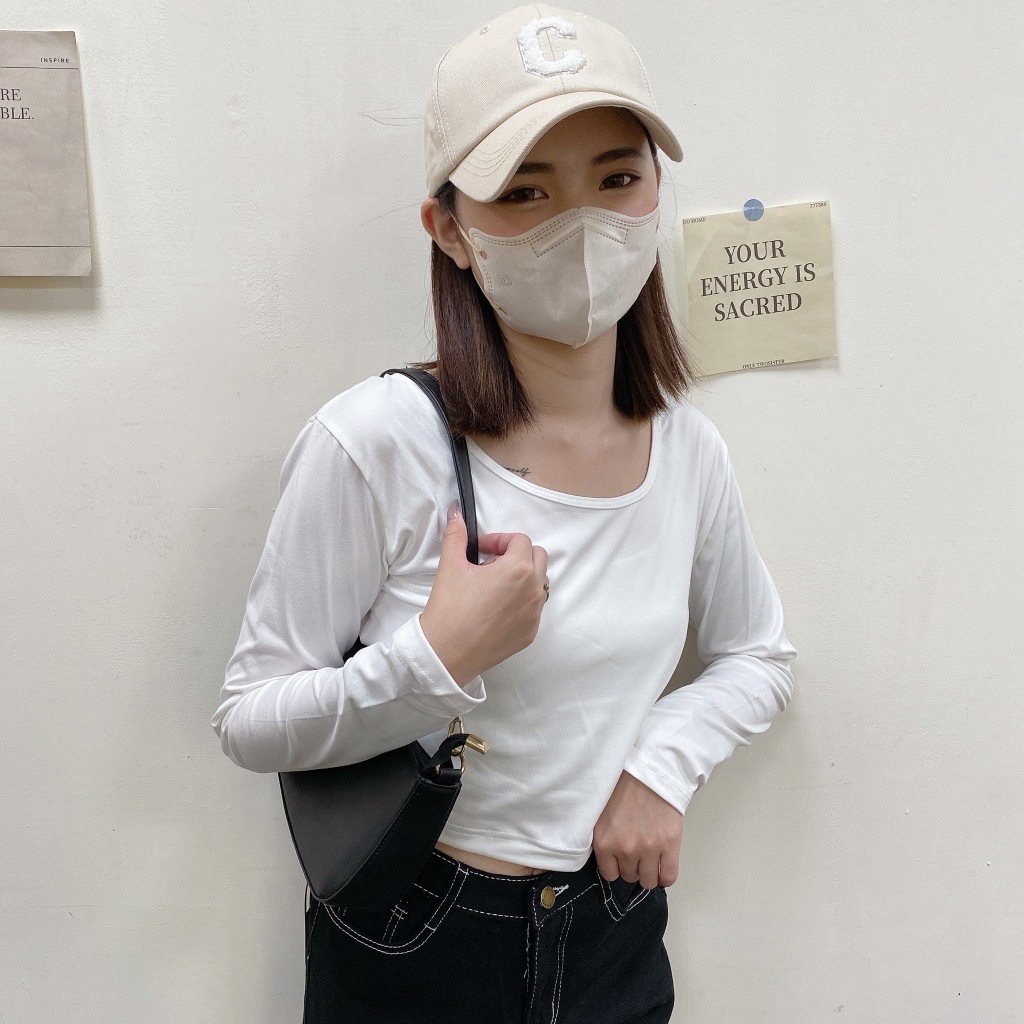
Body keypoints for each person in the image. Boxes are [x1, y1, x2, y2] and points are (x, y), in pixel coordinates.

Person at [212, 5, 797, 1022]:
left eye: (617, 178)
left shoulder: (686, 448)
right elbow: (250, 721)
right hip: (419, 929)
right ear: (450, 229)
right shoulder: (378, 439)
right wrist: (435, 659)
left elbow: (759, 657)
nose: (584, 225)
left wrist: (661, 768)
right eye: (524, 192)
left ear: (656, 192)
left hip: (613, 929)